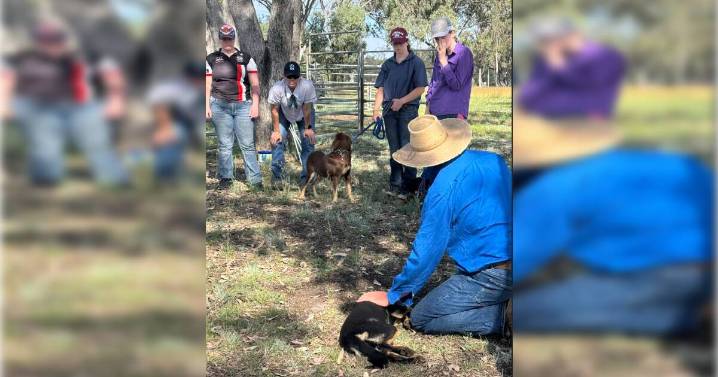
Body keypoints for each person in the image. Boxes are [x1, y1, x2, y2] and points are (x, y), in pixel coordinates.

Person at [359, 115, 512, 335]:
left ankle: (503, 317)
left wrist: (395, 294)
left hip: (493, 272)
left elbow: (428, 250)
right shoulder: (493, 160)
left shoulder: (442, 191)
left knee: (421, 319)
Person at [3, 20, 128, 187]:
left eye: (57, 39)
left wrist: (116, 100)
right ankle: (45, 181)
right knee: (45, 149)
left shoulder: (87, 56)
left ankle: (115, 181)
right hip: (37, 106)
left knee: (98, 142)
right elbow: (4, 79)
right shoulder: (19, 58)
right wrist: (3, 103)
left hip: (82, 107)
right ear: (36, 41)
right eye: (45, 40)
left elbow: (113, 76)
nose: (52, 44)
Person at [518, 18, 625, 120]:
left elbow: (591, 85)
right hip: (553, 109)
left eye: (556, 38)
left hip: (588, 111)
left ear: (575, 34)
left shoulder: (603, 55)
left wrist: (559, 67)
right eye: (546, 40)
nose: (553, 43)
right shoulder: (553, 58)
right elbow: (533, 89)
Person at [206, 23, 262, 189]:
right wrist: (206, 106)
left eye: (230, 38)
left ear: (234, 37)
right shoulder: (211, 59)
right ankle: (226, 178)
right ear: (220, 39)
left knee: (247, 144)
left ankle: (255, 180)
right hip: (219, 106)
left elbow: (255, 85)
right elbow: (207, 85)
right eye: (224, 38)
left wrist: (256, 105)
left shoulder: (246, 58)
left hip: (243, 106)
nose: (227, 41)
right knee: (225, 144)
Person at [373, 27, 427, 198]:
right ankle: (395, 183)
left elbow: (420, 88)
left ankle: (409, 186)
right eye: (395, 44)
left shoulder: (416, 63)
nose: (398, 47)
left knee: (407, 147)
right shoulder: (388, 64)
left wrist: (402, 101)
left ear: (407, 41)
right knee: (394, 148)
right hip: (389, 110)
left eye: (400, 43)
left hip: (408, 111)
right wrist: (376, 109)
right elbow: (380, 88)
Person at [148, 62, 205, 182]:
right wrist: (165, 128)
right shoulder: (172, 88)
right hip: (172, 122)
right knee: (174, 135)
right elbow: (159, 105)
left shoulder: (200, 90)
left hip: (193, 122)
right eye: (196, 79)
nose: (199, 83)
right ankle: (166, 175)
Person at [267, 61, 317, 187]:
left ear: (299, 76)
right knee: (276, 140)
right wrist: (277, 131)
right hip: (284, 113)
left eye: (295, 76)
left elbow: (307, 108)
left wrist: (308, 128)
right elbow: (274, 110)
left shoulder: (307, 86)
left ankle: (307, 178)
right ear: (284, 76)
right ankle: (278, 178)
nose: (292, 79)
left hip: (303, 113)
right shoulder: (277, 88)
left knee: (308, 141)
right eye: (289, 76)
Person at [425, 17, 474, 120]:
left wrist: (444, 63)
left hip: (454, 112)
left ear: (452, 33)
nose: (440, 41)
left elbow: (457, 85)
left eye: (443, 37)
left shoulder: (464, 53)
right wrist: (428, 106)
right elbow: (434, 83)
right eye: (437, 38)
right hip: (435, 112)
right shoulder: (439, 56)